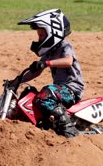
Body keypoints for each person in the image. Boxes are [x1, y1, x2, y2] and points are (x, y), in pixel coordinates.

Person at [16, 9, 84, 138]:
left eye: (41, 35)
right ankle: (41, 124)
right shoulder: (50, 51)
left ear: (53, 32)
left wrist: (46, 63)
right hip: (60, 90)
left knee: (45, 95)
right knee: (28, 92)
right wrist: (18, 80)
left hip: (72, 89)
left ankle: (69, 130)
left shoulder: (65, 45)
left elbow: (68, 61)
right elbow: (35, 73)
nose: (39, 39)